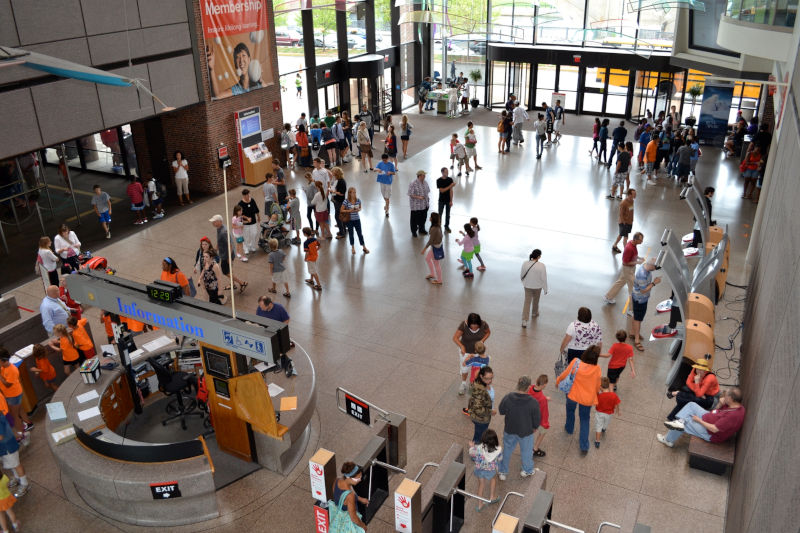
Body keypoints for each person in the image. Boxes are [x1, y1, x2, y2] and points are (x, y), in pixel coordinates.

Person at [658, 387, 745, 448]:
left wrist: (699, 420)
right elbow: (716, 411)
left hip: (709, 433)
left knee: (685, 423)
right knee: (691, 405)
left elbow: (714, 429)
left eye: (726, 396)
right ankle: (679, 422)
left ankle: (668, 440)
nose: (724, 397)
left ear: (730, 398)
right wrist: (720, 404)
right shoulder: (736, 406)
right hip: (708, 416)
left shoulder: (732, 417)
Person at [556, 345, 602, 454]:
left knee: (570, 410)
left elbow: (564, 374)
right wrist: (596, 394)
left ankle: (569, 428)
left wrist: (558, 381)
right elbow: (597, 385)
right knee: (585, 419)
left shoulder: (576, 362)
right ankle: (584, 446)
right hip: (587, 399)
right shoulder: (597, 369)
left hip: (572, 394)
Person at [497, 376, 541, 480]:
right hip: (526, 431)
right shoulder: (533, 402)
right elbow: (537, 418)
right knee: (526, 451)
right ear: (529, 387)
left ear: (518, 384)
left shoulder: (508, 397)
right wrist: (534, 427)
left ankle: (502, 471)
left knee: (507, 449)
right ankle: (527, 470)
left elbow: (501, 410)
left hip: (510, 429)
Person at [452, 313, 491, 395]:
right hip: (465, 352)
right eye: (472, 326)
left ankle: (474, 383)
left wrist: (482, 341)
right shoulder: (463, 325)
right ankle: (463, 383)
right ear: (469, 323)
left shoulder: (483, 324)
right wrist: (462, 346)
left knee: (477, 370)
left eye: (476, 326)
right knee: (464, 369)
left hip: (478, 352)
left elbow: (488, 333)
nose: (474, 328)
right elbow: (455, 338)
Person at [209, 215, 247, 293]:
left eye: (214, 221)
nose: (213, 222)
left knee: (226, 272)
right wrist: (216, 249)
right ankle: (232, 284)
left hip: (227, 255)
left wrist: (229, 257)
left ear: (219, 221)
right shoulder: (219, 228)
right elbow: (219, 241)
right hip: (225, 254)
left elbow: (230, 245)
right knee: (229, 270)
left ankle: (242, 283)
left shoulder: (223, 232)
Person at [604, 231, 644, 305]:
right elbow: (625, 262)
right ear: (635, 240)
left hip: (629, 269)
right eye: (640, 240)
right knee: (633, 289)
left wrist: (639, 258)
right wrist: (637, 262)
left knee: (620, 282)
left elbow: (633, 255)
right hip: (628, 270)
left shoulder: (632, 243)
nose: (642, 241)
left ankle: (608, 297)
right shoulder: (629, 248)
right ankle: (632, 309)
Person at [0, 349, 32, 438]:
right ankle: (28, 423)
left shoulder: (12, 370)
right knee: (20, 409)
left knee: (15, 416)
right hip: (13, 394)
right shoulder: (3, 367)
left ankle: (21, 432)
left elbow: (7, 385)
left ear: (2, 360)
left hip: (13, 395)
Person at [631, 257, 661, 351]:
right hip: (640, 299)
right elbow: (643, 290)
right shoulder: (641, 274)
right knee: (638, 319)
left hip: (642, 298)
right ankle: (636, 339)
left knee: (637, 316)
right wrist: (654, 283)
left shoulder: (646, 268)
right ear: (651, 265)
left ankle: (633, 332)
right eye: (655, 267)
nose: (656, 269)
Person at [468, 428, 502, 512]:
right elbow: (500, 458)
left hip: (480, 468)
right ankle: (492, 497)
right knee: (493, 479)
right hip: (491, 469)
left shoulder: (479, 447)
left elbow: (472, 455)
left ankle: (480, 505)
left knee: (481, 485)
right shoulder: (498, 449)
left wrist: (472, 447)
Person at [0, 408, 29, 499]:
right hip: (4, 448)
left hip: (7, 447)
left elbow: (0, 437)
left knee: (16, 464)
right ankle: (17, 478)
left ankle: (25, 483)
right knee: (11, 464)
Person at [331, 462, 369, 531]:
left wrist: (359, 499)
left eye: (360, 477)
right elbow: (354, 518)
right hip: (348, 522)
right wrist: (363, 526)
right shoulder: (350, 496)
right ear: (348, 477)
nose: (360, 480)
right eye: (357, 478)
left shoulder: (337, 481)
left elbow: (340, 496)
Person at [520, 249, 547, 327]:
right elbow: (544, 278)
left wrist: (524, 282)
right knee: (536, 299)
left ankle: (524, 320)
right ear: (538, 256)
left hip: (527, 286)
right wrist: (545, 289)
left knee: (527, 302)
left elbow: (522, 274)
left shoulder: (525, 263)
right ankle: (534, 312)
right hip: (537, 286)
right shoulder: (542, 266)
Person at [467, 365, 495, 443]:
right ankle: (474, 451)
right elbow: (478, 409)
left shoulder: (482, 384)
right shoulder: (479, 390)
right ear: (481, 376)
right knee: (479, 437)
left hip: (484, 415)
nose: (490, 381)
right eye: (487, 378)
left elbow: (470, 393)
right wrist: (491, 412)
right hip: (480, 419)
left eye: (491, 378)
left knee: (480, 434)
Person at [527, 375, 550, 457]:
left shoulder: (530, 388)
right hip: (536, 420)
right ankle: (535, 449)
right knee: (543, 431)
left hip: (528, 416)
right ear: (544, 385)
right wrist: (544, 423)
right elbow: (543, 412)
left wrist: (545, 398)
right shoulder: (542, 399)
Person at [341, 187, 369, 255]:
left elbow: (360, 207)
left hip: (357, 220)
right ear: (349, 193)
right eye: (352, 192)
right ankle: (353, 248)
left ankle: (364, 247)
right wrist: (349, 211)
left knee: (360, 234)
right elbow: (341, 210)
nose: (354, 194)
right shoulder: (346, 201)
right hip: (349, 220)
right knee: (351, 234)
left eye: (355, 192)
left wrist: (358, 209)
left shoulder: (358, 200)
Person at [594, 377, 620, 448]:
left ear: (601, 387)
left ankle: (597, 441)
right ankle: (604, 428)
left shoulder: (599, 396)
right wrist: (618, 411)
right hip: (609, 414)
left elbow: (595, 403)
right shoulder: (613, 395)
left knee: (598, 426)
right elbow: (617, 403)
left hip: (599, 413)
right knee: (606, 422)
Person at [421, 212, 443, 285]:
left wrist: (424, 249)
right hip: (436, 246)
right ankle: (432, 274)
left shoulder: (434, 228)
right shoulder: (438, 226)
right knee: (427, 259)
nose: (429, 218)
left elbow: (430, 241)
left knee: (436, 264)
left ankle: (439, 280)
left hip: (435, 247)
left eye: (430, 217)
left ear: (433, 219)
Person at [612, 188, 636, 253]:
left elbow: (631, 210)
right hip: (624, 222)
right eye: (634, 194)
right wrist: (623, 222)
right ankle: (626, 251)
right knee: (623, 236)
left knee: (624, 236)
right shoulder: (623, 203)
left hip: (629, 222)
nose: (635, 195)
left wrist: (631, 220)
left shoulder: (632, 201)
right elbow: (621, 214)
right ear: (629, 194)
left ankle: (615, 246)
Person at [238, 189, 260, 255]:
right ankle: (246, 248)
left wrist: (258, 217)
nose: (248, 196)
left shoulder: (252, 200)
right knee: (246, 236)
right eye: (246, 195)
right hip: (245, 223)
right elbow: (239, 214)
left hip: (253, 221)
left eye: (248, 194)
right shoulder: (240, 203)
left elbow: (256, 209)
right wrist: (247, 218)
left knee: (254, 233)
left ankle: (252, 246)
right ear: (243, 196)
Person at [408, 170, 430, 238]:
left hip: (424, 205)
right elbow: (410, 194)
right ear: (420, 176)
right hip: (416, 206)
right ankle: (414, 231)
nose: (425, 176)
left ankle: (421, 229)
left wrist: (427, 199)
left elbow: (428, 190)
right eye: (423, 175)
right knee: (414, 220)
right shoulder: (413, 183)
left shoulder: (425, 182)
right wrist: (419, 197)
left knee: (423, 218)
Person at [376, 153, 395, 218]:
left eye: (385, 160)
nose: (384, 161)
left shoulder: (391, 164)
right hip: (382, 181)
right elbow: (374, 169)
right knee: (384, 195)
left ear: (388, 159)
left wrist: (390, 173)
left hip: (388, 182)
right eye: (383, 160)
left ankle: (387, 210)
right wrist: (378, 170)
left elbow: (394, 172)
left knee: (387, 197)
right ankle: (387, 205)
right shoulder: (380, 163)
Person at [330, 167, 347, 239]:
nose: (332, 173)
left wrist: (333, 192)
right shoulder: (337, 180)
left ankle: (342, 233)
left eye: (333, 172)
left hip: (339, 201)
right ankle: (343, 230)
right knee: (341, 215)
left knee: (338, 217)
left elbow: (342, 193)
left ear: (336, 173)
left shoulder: (341, 182)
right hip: (336, 200)